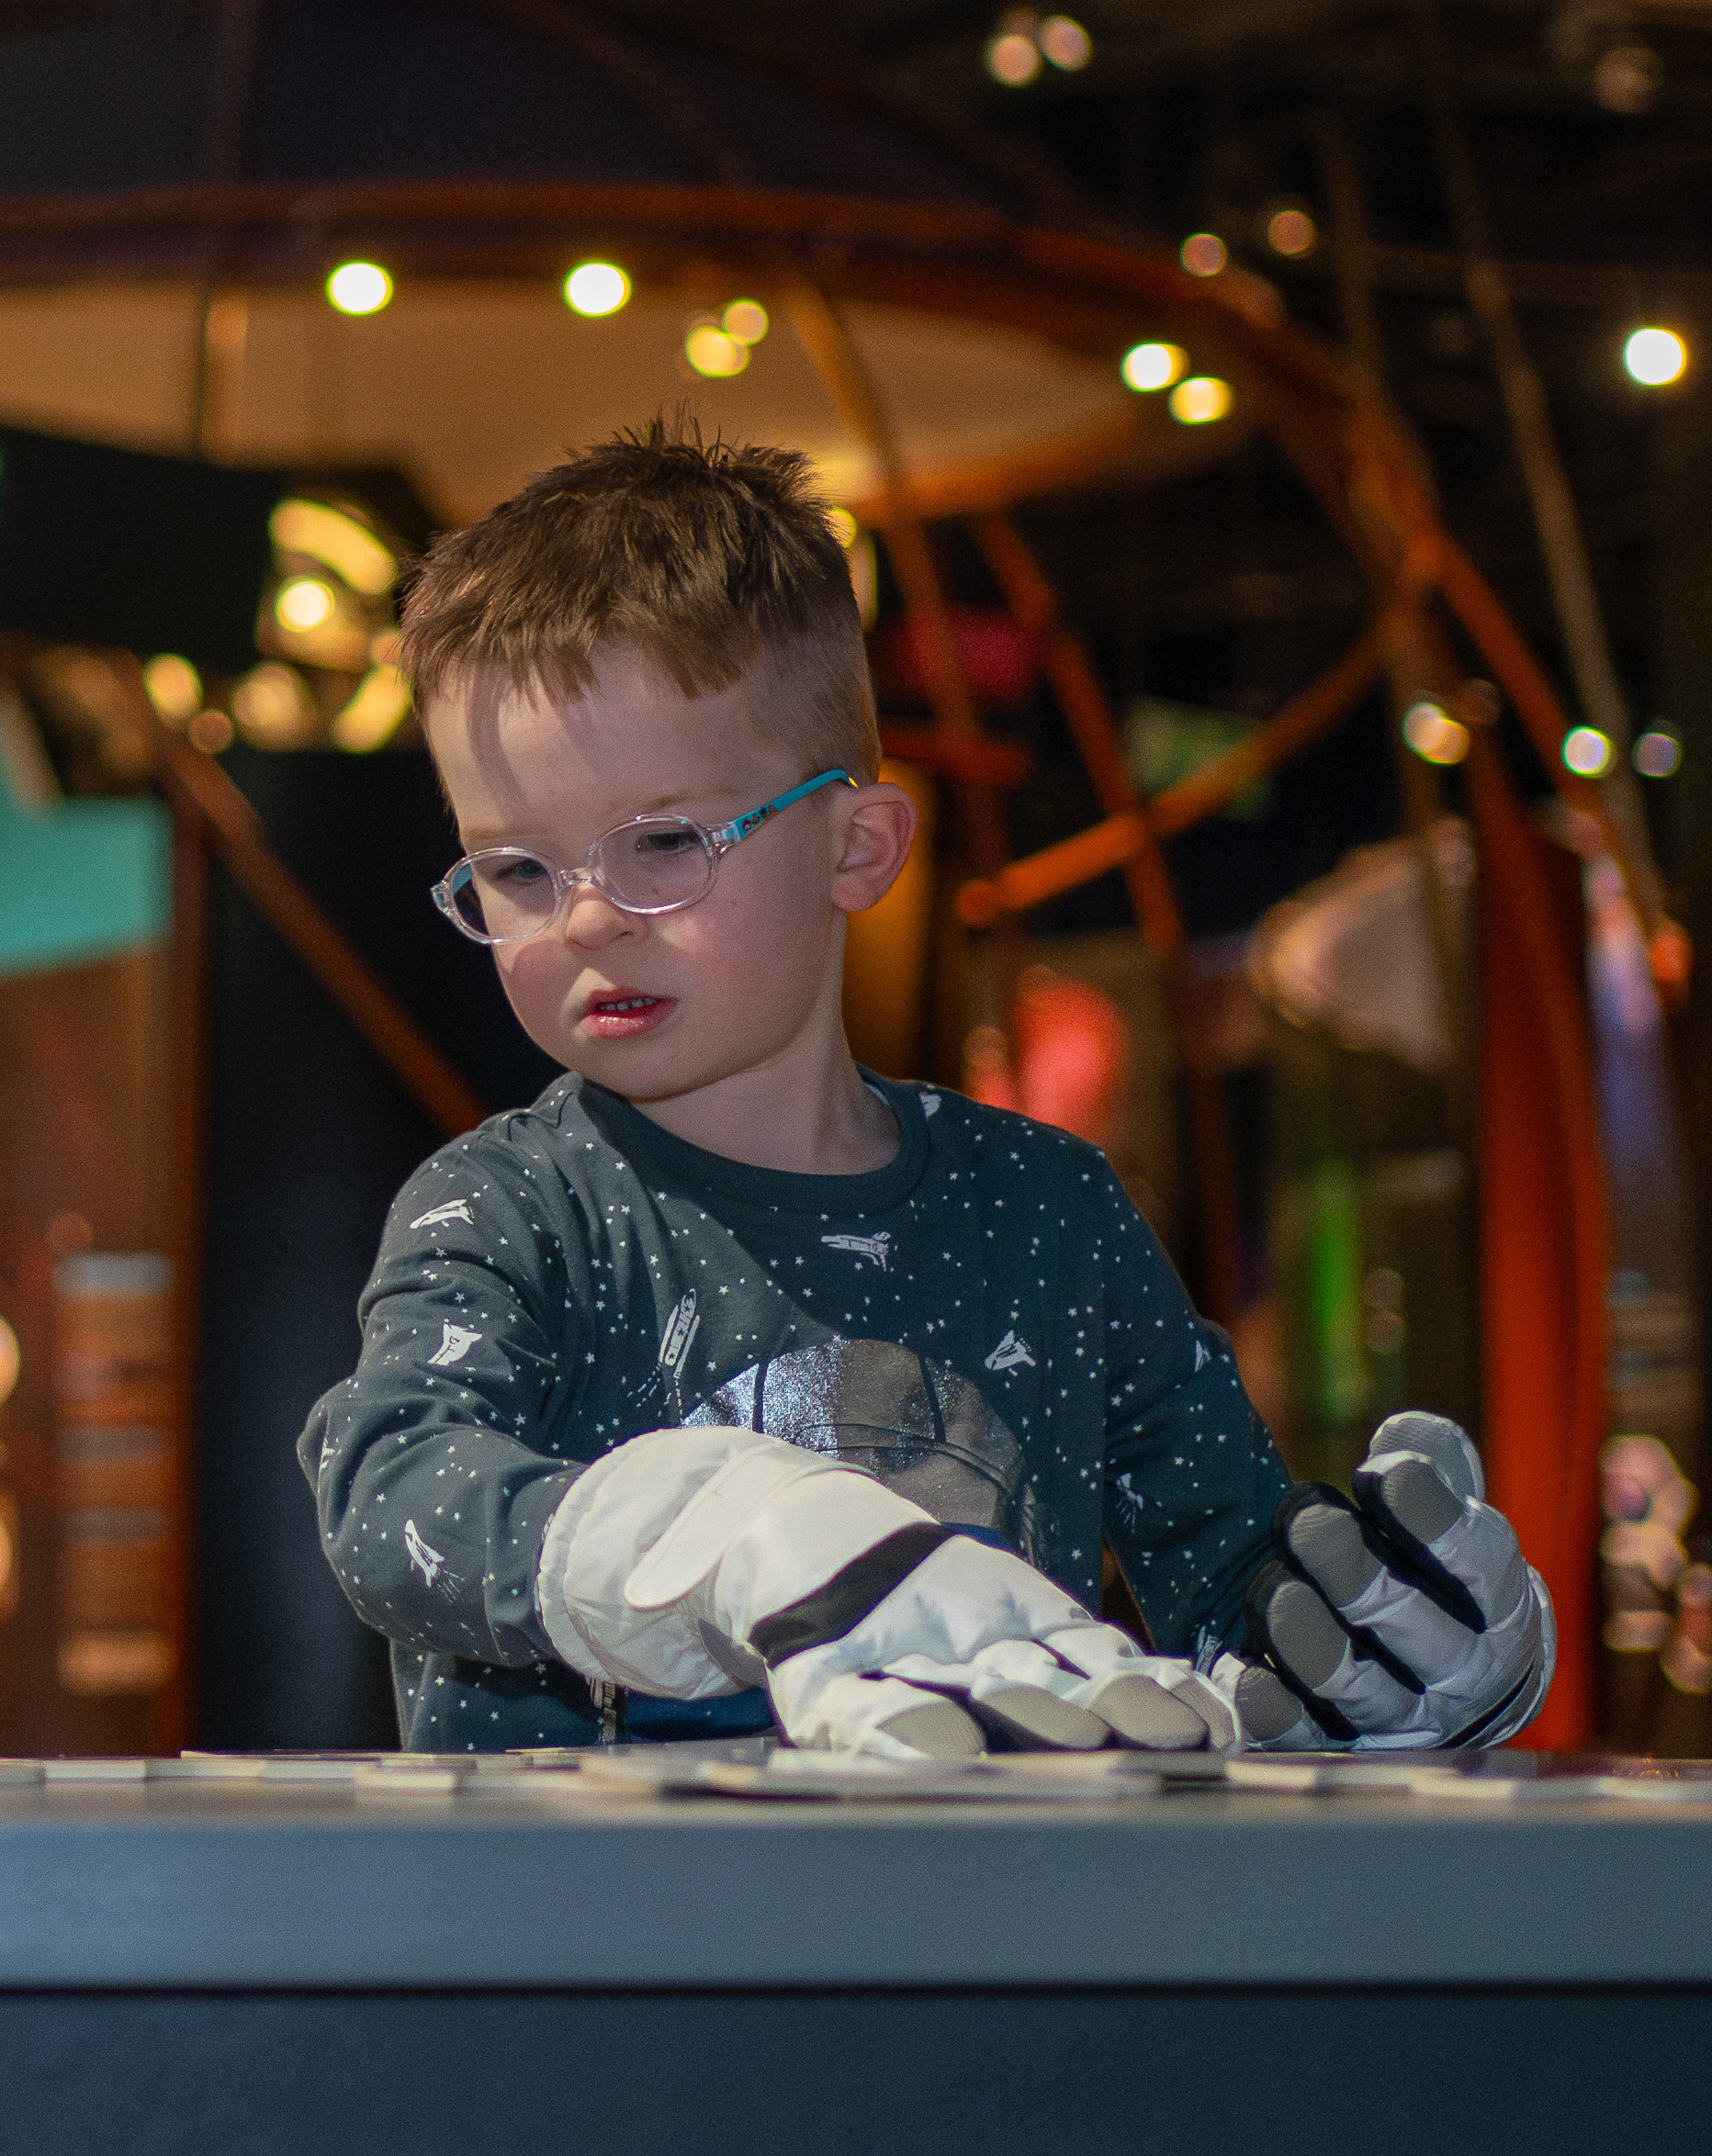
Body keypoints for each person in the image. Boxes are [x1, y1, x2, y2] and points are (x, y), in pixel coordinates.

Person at [297, 419, 1554, 1762]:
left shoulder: (1048, 1211)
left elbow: (1224, 1581)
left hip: (989, 1938)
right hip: (588, 1950)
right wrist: (699, 1534)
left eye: (661, 840)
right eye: (516, 870)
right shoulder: (504, 1208)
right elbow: (390, 1491)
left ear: (856, 844)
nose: (588, 916)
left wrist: (1381, 1659)